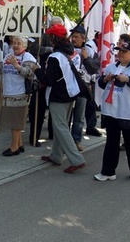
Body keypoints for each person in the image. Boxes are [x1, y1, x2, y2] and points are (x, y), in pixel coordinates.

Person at [94, 34, 130, 182]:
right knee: (111, 142)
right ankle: (108, 171)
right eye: (119, 51)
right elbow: (100, 83)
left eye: (124, 52)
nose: (120, 54)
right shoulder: (111, 67)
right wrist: (105, 79)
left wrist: (129, 80)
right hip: (113, 110)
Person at [35, 24, 86, 173]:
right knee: (61, 126)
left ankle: (76, 159)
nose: (48, 38)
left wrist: (37, 70)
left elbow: (47, 80)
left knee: (61, 127)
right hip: (69, 93)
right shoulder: (66, 52)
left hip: (59, 96)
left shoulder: (55, 57)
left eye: (50, 36)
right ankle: (56, 155)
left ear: (53, 38)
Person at [0, 36, 37, 156]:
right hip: (8, 92)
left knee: (15, 122)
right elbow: (1, 70)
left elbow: (30, 73)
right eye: (14, 43)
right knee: (13, 120)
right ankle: (20, 144)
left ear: (25, 46)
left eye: (19, 43)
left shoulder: (28, 57)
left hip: (20, 93)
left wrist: (17, 66)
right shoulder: (9, 55)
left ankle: (14, 147)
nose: (16, 45)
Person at [69, 25, 100, 151]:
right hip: (69, 86)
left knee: (79, 117)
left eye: (76, 37)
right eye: (72, 36)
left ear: (83, 39)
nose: (73, 39)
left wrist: (86, 58)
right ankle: (64, 142)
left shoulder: (90, 51)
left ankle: (76, 140)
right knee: (66, 116)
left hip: (83, 87)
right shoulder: (67, 49)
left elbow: (94, 69)